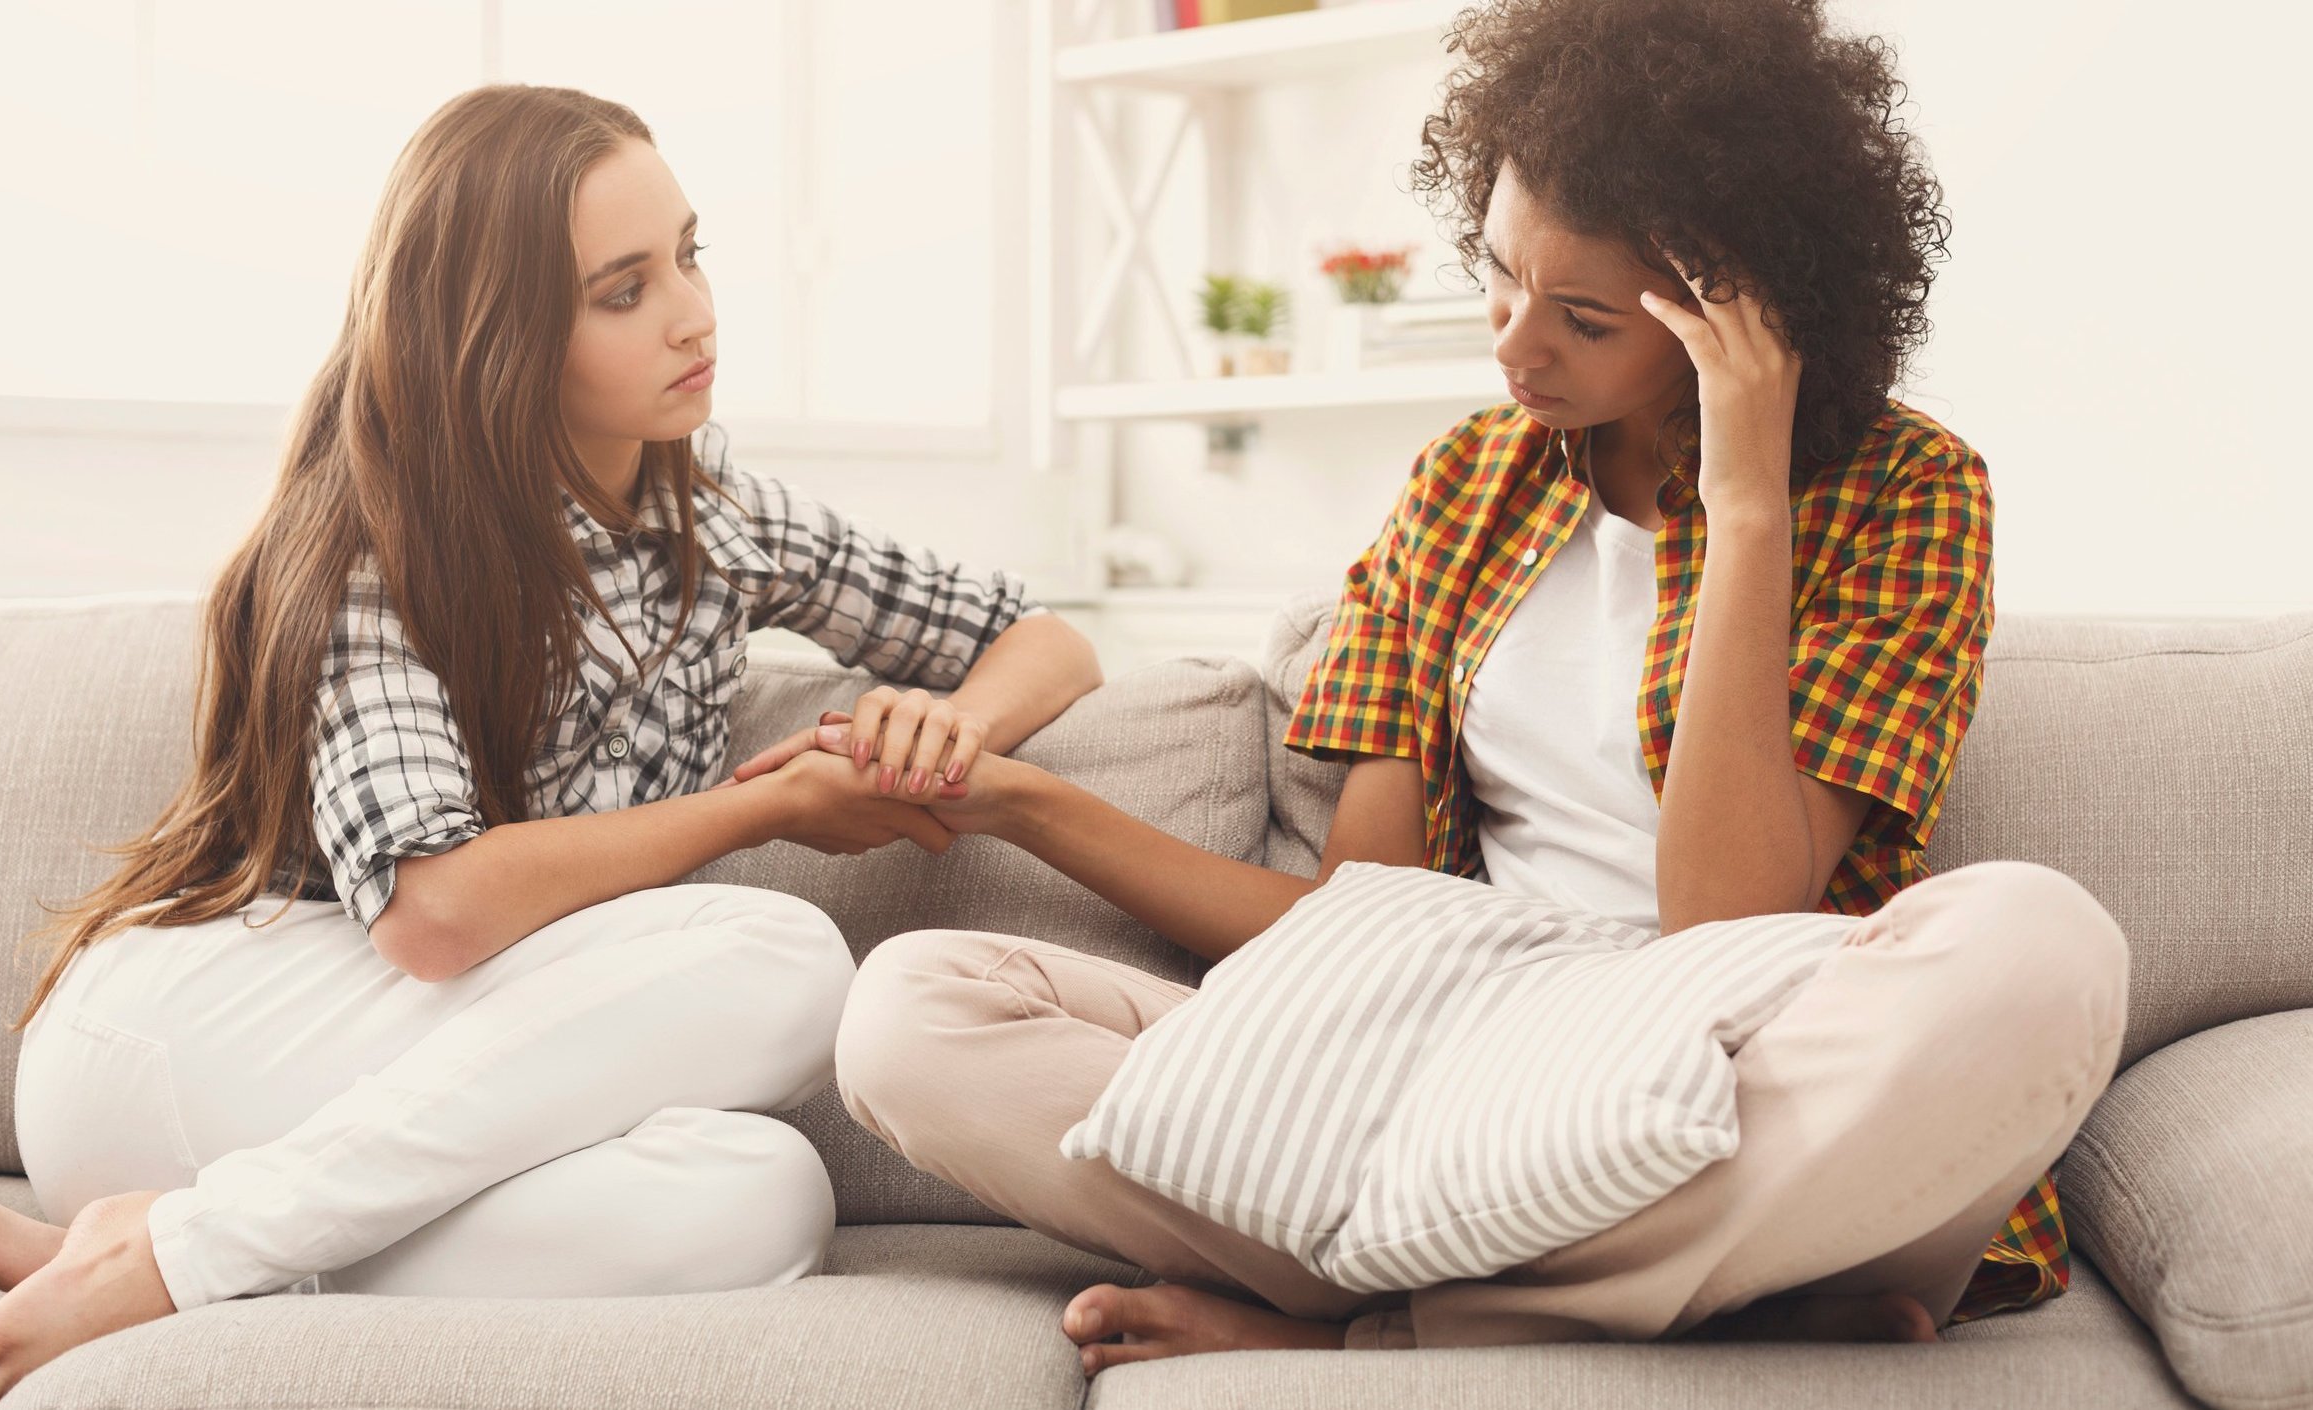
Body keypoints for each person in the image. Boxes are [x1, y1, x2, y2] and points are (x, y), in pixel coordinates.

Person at [821, 0, 2129, 1375]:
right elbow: (1357, 932)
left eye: (1579, 319)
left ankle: (1388, 1317)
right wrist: (1019, 803)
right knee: (913, 1009)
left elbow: (1725, 919)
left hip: (1742, 1059)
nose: (1512, 349)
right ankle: (1667, 1292)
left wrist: (1747, 503)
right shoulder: (1463, 487)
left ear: (1735, 314)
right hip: (1458, 1064)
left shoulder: (1908, 492)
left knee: (2045, 945)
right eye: (1500, 277)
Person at [0, 83, 1101, 1409]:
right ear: (498, 335)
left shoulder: (722, 522)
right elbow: (434, 916)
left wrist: (950, 723)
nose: (693, 311)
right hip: (182, 1040)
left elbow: (1045, 639)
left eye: (690, 254)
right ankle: (183, 1247)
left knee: (763, 1195)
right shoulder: (375, 543)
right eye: (624, 288)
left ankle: (146, 1246)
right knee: (784, 956)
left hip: (362, 1104)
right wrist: (755, 813)